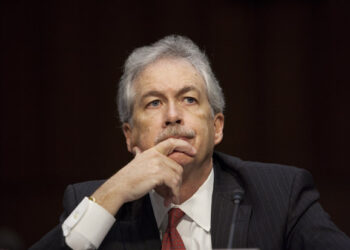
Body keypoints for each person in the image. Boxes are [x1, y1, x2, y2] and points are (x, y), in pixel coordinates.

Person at [30, 35, 350, 250]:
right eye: (154, 103)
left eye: (188, 99)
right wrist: (113, 194)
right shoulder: (95, 202)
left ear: (217, 126)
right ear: (129, 135)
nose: (172, 115)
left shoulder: (281, 195)